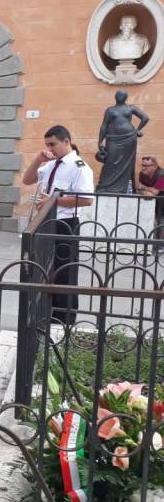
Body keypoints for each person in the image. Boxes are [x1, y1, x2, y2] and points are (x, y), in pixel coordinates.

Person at [21, 125, 95, 325]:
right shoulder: (51, 164)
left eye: (52, 144)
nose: (50, 148)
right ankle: (49, 312)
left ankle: (65, 318)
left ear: (66, 141)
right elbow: (27, 179)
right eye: (46, 145)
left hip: (66, 222)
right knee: (47, 269)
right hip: (47, 222)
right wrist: (39, 159)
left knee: (65, 270)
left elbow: (87, 199)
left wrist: (53, 201)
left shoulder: (79, 166)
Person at [97, 90, 149, 193]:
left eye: (122, 95)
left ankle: (125, 188)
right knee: (110, 161)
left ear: (126, 97)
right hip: (112, 138)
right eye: (118, 95)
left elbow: (145, 118)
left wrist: (137, 130)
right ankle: (106, 186)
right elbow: (104, 125)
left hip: (129, 138)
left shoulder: (131, 108)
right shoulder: (110, 110)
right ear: (115, 97)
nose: (120, 96)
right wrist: (100, 141)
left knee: (127, 162)